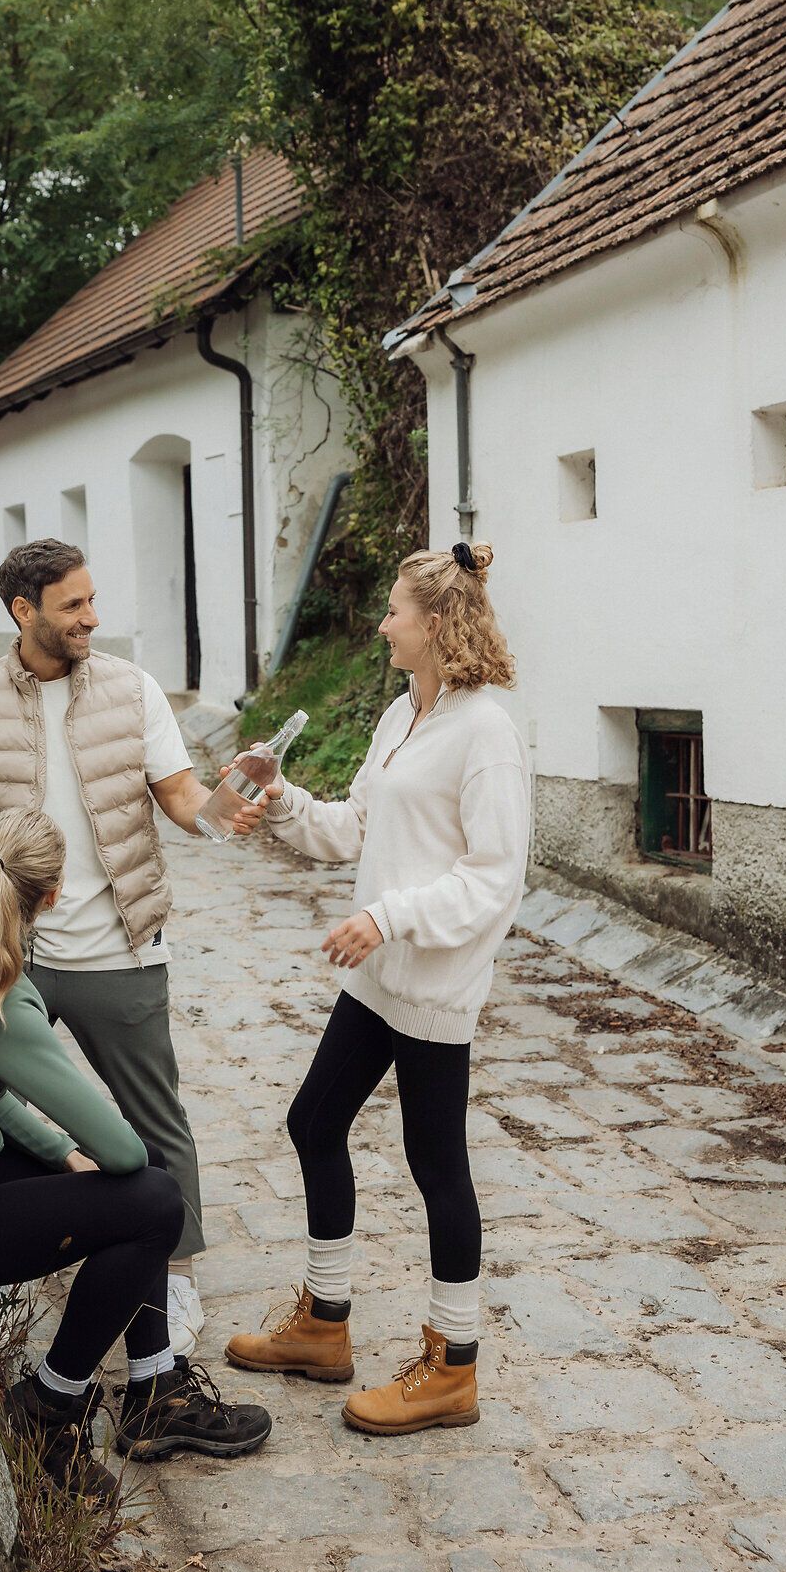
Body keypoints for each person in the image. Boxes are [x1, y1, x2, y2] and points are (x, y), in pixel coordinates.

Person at [0, 806, 271, 1501]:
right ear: (51, 896)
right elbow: (122, 1151)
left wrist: (65, 1154)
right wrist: (87, 1151)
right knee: (154, 1199)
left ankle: (154, 1386)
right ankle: (49, 1405)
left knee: (138, 1184)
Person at [0, 540, 264, 1358]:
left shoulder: (132, 690)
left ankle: (175, 1278)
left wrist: (224, 808)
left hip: (122, 948)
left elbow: (180, 797)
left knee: (155, 1118)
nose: (91, 617)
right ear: (24, 611)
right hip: (15, 956)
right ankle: (1, 1247)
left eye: (91, 600)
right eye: (73, 604)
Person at [225, 543, 530, 1436]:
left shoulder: (487, 733)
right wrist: (282, 798)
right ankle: (324, 1326)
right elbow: (357, 827)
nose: (383, 623)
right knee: (314, 1123)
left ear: (434, 623)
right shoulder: (403, 714)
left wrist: (388, 917)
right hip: (378, 978)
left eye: (395, 610)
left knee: (437, 1167)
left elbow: (494, 877)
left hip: (432, 982)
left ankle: (452, 1369)